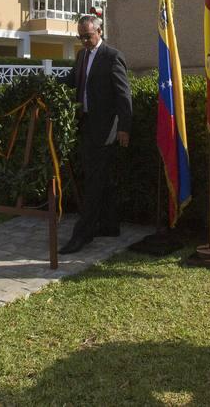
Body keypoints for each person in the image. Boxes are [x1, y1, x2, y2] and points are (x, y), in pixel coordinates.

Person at [59, 14, 132, 254]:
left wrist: (124, 127)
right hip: (86, 125)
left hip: (106, 130)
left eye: (88, 36)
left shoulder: (112, 56)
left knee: (93, 181)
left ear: (99, 32)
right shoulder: (81, 56)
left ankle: (83, 234)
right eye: (81, 37)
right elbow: (71, 81)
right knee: (101, 179)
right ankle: (110, 225)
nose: (84, 41)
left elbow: (124, 95)